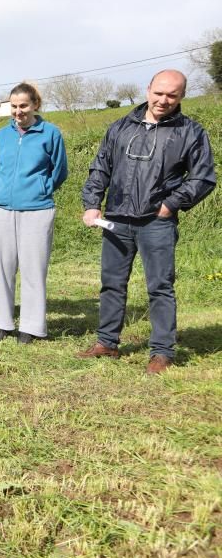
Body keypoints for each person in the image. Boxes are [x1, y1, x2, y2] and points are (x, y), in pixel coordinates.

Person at [78, 70, 216, 373]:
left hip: (157, 222)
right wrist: (92, 204)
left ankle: (162, 352)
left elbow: (203, 177)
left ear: (181, 97)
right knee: (111, 284)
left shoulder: (190, 132)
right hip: (115, 220)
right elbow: (100, 167)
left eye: (172, 95)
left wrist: (171, 205)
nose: (163, 100)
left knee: (160, 287)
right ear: (148, 89)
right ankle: (106, 343)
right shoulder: (120, 127)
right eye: (159, 93)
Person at [0, 82, 68, 344]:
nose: (18, 111)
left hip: (37, 209)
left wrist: (40, 189)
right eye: (14, 106)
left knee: (33, 269)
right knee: (2, 268)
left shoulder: (51, 133)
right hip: (1, 209)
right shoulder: (1, 136)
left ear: (35, 105)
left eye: (23, 106)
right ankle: (4, 323)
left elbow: (59, 171)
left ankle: (32, 326)